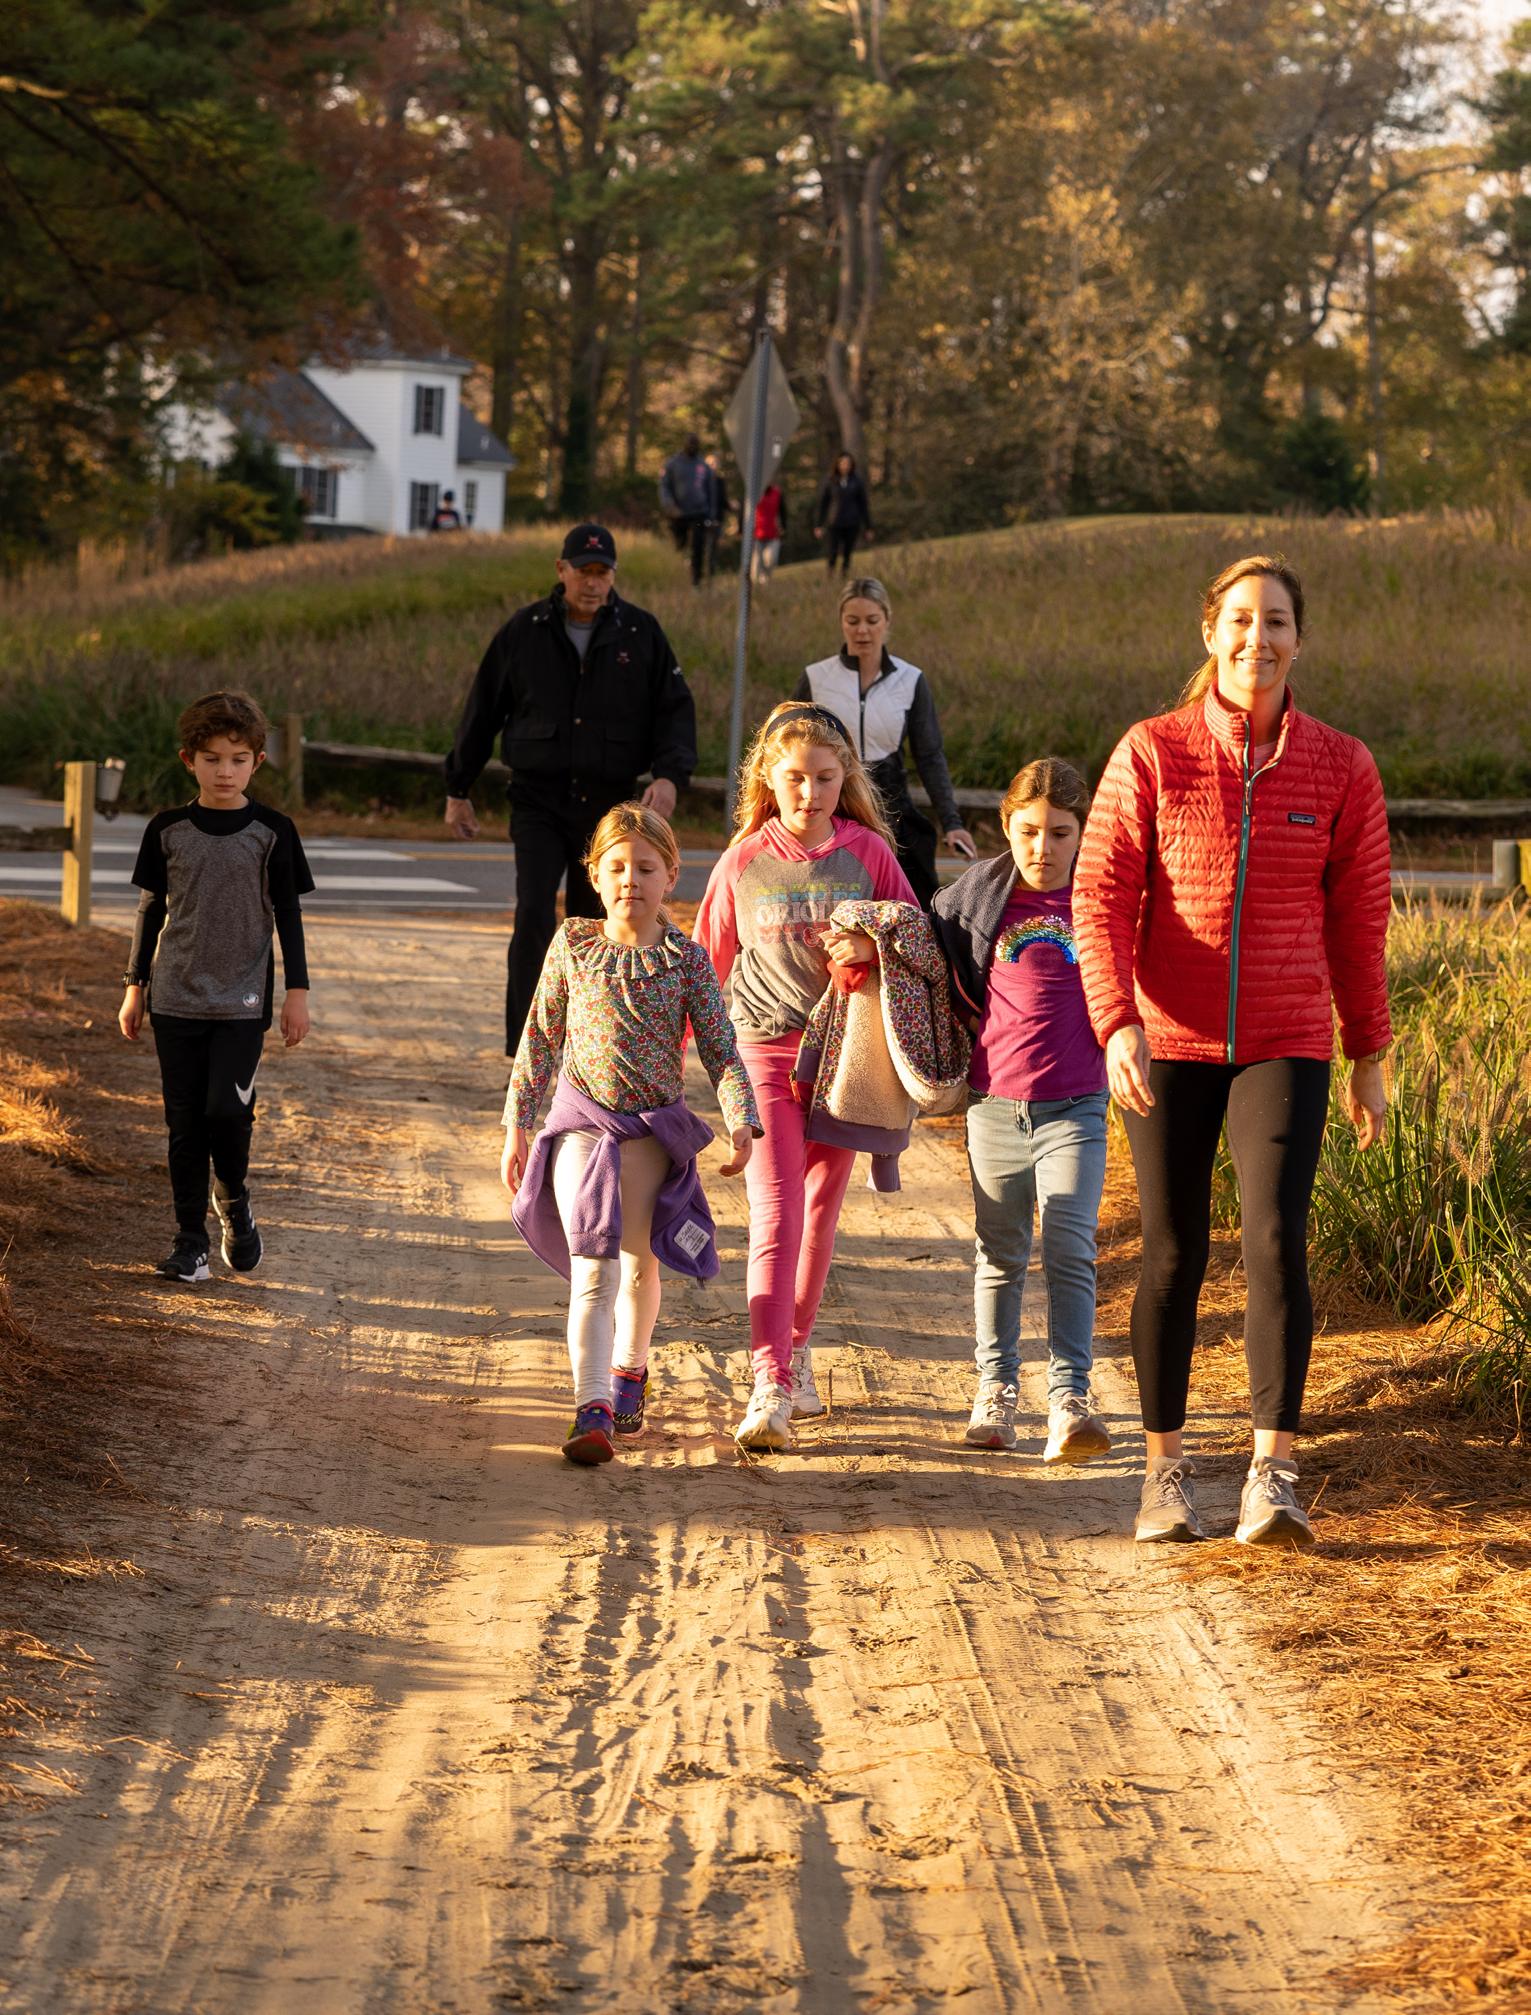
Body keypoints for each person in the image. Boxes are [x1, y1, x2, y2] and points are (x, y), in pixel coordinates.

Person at [1073, 554, 1392, 1550]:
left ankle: (1272, 1475)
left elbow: (1359, 923)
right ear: (1210, 633)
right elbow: (1099, 895)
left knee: (1273, 1240)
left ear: (1300, 639)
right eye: (1242, 620)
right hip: (1165, 1037)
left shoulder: (1342, 766)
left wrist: (1368, 1051)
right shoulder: (1152, 751)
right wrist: (1115, 1021)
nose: (1258, 639)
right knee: (1171, 1249)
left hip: (1284, 1037)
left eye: (1277, 622)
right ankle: (1163, 1474)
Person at [501, 805, 759, 1465]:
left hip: (650, 1137)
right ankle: (591, 1406)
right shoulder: (573, 943)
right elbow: (539, 1036)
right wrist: (517, 1124)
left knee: (640, 1266)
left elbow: (722, 1050)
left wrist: (741, 1119)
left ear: (670, 874)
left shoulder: (686, 960)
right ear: (593, 874)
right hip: (581, 1127)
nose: (630, 880)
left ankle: (629, 1370)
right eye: (616, 867)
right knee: (594, 1267)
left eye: (645, 868)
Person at [694, 701, 917, 1453]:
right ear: (768, 777)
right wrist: (680, 1062)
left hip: (845, 1056)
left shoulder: (868, 854)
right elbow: (705, 966)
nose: (810, 792)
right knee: (777, 1210)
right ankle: (769, 1379)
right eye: (794, 777)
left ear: (844, 777)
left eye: (824, 777)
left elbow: (915, 936)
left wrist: (874, 946)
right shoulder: (742, 861)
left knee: (819, 1214)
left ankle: (794, 1350)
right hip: (763, 1048)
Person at [443, 522, 697, 1057]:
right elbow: (482, 710)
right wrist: (457, 787)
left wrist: (670, 776)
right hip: (537, 800)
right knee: (534, 912)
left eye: (603, 572)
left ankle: (588, 1041)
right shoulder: (525, 630)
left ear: (614, 576)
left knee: (599, 923)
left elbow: (674, 712)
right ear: (562, 571)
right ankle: (527, 1048)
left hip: (607, 808)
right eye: (583, 571)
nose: (593, 582)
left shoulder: (640, 632)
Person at [932, 758, 1111, 1462]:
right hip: (994, 1108)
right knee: (1000, 1253)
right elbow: (924, 950)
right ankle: (996, 1389)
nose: (1043, 846)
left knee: (1070, 1244)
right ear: (1006, 827)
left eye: (1060, 832)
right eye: (1029, 830)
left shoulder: (1102, 901)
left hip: (1077, 1107)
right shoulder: (974, 900)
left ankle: (1069, 1399)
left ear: (1082, 832)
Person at [118, 690, 314, 1283]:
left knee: (227, 1113)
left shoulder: (273, 831)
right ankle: (190, 1243)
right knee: (184, 1124)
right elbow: (150, 909)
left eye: (237, 759)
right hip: (175, 996)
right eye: (211, 759)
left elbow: (288, 913)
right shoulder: (167, 829)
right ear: (189, 760)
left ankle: (233, 1198)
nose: (224, 771)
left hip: (242, 1002)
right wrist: (134, 985)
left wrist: (297, 991)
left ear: (257, 762)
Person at [796, 577, 976, 910]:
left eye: (872, 620)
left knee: (916, 903)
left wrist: (952, 823)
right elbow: (786, 750)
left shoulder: (910, 680)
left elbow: (929, 756)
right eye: (853, 621)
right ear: (841, 623)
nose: (862, 630)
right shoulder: (816, 678)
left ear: (887, 621)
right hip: (834, 805)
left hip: (893, 806)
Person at [659, 434, 712, 586]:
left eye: (695, 444)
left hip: (699, 514)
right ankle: (676, 577)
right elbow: (664, 486)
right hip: (678, 514)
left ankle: (696, 581)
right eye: (690, 444)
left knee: (698, 547)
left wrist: (711, 514)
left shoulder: (703, 466)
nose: (693, 447)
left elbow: (711, 491)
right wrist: (669, 505)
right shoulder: (673, 464)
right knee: (678, 546)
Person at [814, 452, 873, 574]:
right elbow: (823, 504)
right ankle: (830, 573)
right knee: (833, 550)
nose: (845, 466)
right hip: (834, 522)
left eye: (848, 463)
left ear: (852, 465)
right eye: (843, 463)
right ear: (838, 464)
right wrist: (819, 525)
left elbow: (863, 505)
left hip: (852, 522)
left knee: (848, 552)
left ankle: (844, 574)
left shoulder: (857, 482)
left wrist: (868, 527)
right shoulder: (831, 481)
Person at [751, 482, 787, 587]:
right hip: (756, 533)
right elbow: (746, 510)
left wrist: (783, 526)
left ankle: (765, 580)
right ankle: (756, 585)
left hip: (773, 533)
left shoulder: (777, 493)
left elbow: (783, 511)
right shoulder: (754, 492)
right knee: (757, 562)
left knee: (771, 559)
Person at [703, 452, 731, 579]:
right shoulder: (701, 482)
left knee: (713, 549)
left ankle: (711, 576)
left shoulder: (720, 481)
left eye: (715, 463)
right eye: (710, 463)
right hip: (702, 520)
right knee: (702, 548)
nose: (713, 466)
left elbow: (723, 500)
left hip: (717, 520)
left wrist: (732, 506)